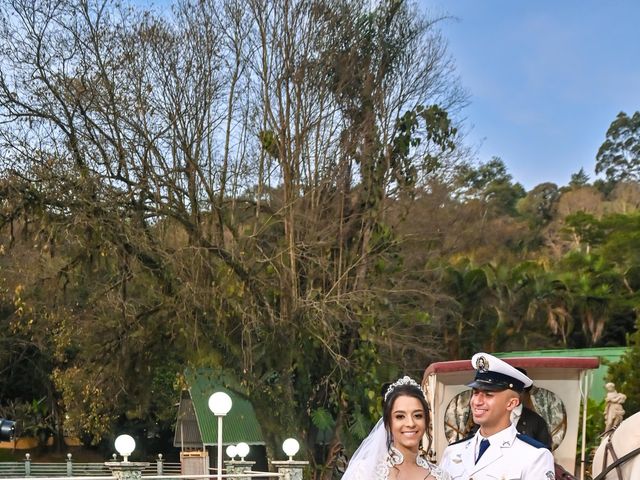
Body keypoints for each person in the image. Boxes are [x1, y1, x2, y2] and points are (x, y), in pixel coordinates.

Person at [439, 353, 555, 480]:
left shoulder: (535, 456)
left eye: (488, 395)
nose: (477, 401)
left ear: (511, 403)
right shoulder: (453, 452)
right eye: (476, 393)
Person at [341, 375, 452, 480]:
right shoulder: (366, 471)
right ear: (389, 422)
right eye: (400, 416)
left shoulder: (440, 476)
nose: (410, 423)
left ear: (426, 420)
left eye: (417, 415)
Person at [512, 367, 552, 449]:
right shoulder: (492, 415)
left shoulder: (537, 421)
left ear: (525, 392)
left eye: (519, 390)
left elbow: (545, 452)